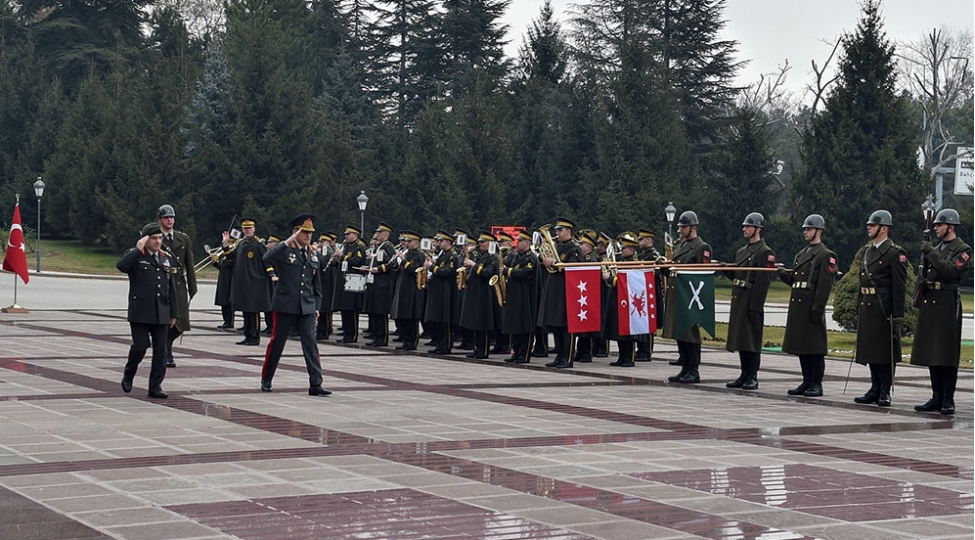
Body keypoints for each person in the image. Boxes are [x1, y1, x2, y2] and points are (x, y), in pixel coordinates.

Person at [260, 214, 331, 396]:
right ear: (295, 232)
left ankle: (315, 383)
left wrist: (316, 307)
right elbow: (267, 258)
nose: (308, 236)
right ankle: (267, 378)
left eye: (310, 233)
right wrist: (286, 242)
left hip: (306, 306)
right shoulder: (285, 250)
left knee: (311, 345)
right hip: (285, 305)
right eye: (304, 232)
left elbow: (317, 285)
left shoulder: (313, 254)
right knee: (277, 343)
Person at [910, 208, 971, 415]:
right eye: (935, 225)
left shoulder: (962, 249)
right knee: (932, 352)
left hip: (947, 302)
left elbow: (951, 272)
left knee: (946, 352)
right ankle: (936, 396)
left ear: (951, 227)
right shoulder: (937, 247)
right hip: (931, 300)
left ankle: (947, 398)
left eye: (940, 225)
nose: (936, 228)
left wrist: (930, 252)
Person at [777, 214, 838, 397]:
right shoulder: (801, 254)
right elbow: (796, 281)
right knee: (802, 346)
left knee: (814, 348)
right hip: (799, 306)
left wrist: (818, 308)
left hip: (812, 305)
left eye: (809, 229)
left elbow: (824, 285)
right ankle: (806, 380)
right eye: (805, 229)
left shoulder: (826, 255)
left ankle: (816, 383)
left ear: (819, 231)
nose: (805, 232)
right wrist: (781, 274)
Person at [853, 210, 908, 407]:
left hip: (884, 307)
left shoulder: (894, 253)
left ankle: (885, 389)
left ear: (883, 228)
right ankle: (874, 387)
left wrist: (897, 315)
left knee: (885, 352)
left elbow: (899, 288)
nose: (869, 227)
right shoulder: (868, 252)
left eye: (873, 224)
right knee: (871, 350)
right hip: (868, 306)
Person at [118, 222, 178, 399]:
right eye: (154, 238)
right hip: (141, 312)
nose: (158, 241)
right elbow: (121, 266)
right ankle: (129, 374)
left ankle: (155, 387)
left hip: (161, 312)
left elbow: (171, 287)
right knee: (140, 347)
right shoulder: (135, 255)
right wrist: (138, 249)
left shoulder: (165, 258)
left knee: (161, 352)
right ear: (145, 239)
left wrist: (174, 312)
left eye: (160, 238)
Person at [723, 212, 775, 390]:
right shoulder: (742, 251)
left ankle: (752, 375)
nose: (744, 229)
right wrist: (726, 270)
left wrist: (755, 307)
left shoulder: (765, 252)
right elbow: (739, 276)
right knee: (742, 339)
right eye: (744, 226)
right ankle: (744, 373)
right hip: (739, 299)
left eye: (748, 226)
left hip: (751, 300)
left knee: (752, 340)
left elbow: (762, 283)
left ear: (758, 229)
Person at [663, 210, 711, 383]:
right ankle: (685, 367)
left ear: (693, 227)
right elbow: (674, 270)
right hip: (678, 295)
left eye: (683, 227)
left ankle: (693, 369)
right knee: (680, 333)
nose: (680, 230)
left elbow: (702, 275)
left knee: (691, 334)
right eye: (680, 227)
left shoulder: (701, 247)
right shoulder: (680, 246)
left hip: (691, 296)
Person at [539, 218, 584, 369]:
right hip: (556, 290)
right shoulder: (558, 247)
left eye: (559, 230)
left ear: (568, 231)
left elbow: (574, 268)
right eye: (556, 230)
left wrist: (555, 264)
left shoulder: (574, 249)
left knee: (566, 326)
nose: (556, 233)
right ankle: (560, 355)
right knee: (557, 325)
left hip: (568, 291)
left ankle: (568, 357)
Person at [158, 204, 197, 368]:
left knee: (181, 321)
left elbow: (189, 263)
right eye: (167, 217)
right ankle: (167, 352)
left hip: (179, 283)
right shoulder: (155, 237)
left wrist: (193, 287)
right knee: (166, 320)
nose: (170, 220)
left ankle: (165, 346)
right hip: (163, 281)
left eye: (172, 217)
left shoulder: (183, 238)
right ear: (160, 219)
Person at [228, 218, 271, 346]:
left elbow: (267, 261)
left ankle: (254, 336)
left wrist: (271, 274)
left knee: (254, 311)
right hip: (243, 283)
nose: (247, 230)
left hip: (255, 283)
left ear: (254, 229)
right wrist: (225, 246)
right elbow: (231, 257)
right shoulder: (241, 244)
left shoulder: (259, 244)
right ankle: (247, 335)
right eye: (245, 228)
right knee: (245, 311)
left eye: (249, 228)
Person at [459, 231, 499, 358]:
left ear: (489, 244)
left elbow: (488, 273)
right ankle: (477, 348)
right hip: (475, 293)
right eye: (480, 242)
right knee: (476, 323)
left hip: (485, 294)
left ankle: (484, 350)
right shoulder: (478, 256)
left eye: (483, 242)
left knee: (483, 324)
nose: (480, 244)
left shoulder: (492, 257)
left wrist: (473, 265)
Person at [603, 233, 640, 367]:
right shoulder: (623, 262)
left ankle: (629, 357)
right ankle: (622, 356)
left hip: (629, 301)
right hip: (619, 299)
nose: (621, 250)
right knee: (619, 329)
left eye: (624, 248)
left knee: (628, 331)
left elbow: (628, 281)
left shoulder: (635, 263)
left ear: (631, 249)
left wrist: (610, 278)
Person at [501, 231, 538, 363]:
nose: (518, 243)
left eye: (521, 241)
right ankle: (516, 351)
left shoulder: (530, 257)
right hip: (515, 296)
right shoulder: (517, 256)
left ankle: (524, 353)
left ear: (528, 243)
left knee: (525, 326)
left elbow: (525, 272)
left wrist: (507, 271)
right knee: (515, 325)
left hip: (525, 297)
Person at [390, 231, 426, 350]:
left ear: (416, 242)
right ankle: (405, 340)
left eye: (409, 241)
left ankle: (412, 341)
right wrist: (395, 263)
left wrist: (403, 260)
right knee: (403, 316)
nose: (406, 243)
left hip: (412, 288)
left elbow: (414, 270)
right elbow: (398, 270)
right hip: (403, 286)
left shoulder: (419, 255)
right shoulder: (408, 253)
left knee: (411, 317)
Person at [424, 231, 459, 354]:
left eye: (441, 241)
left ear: (448, 242)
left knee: (445, 322)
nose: (438, 243)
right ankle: (439, 344)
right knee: (437, 320)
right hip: (438, 291)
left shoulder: (452, 256)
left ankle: (446, 345)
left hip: (446, 292)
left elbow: (446, 272)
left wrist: (432, 267)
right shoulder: (442, 255)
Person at [332, 225, 368, 343]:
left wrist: (342, 256)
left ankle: (352, 335)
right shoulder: (346, 246)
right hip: (344, 280)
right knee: (344, 309)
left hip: (353, 281)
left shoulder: (358, 248)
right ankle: (346, 333)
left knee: (351, 310)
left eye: (348, 234)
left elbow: (356, 262)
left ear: (355, 235)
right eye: (346, 234)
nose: (346, 236)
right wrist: (335, 260)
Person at [364, 223, 397, 346]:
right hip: (374, 282)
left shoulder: (388, 246)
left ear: (386, 234)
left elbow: (391, 263)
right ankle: (376, 336)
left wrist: (379, 269)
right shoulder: (377, 247)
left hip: (383, 283)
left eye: (380, 232)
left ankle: (382, 338)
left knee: (381, 311)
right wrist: (367, 267)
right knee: (375, 310)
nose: (377, 235)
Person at [212, 232, 235, 330]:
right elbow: (222, 268)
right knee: (222, 302)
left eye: (229, 243)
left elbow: (231, 265)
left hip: (230, 281)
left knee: (228, 303)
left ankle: (229, 321)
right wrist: (215, 263)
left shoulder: (232, 255)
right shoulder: (224, 256)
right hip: (223, 280)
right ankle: (225, 320)